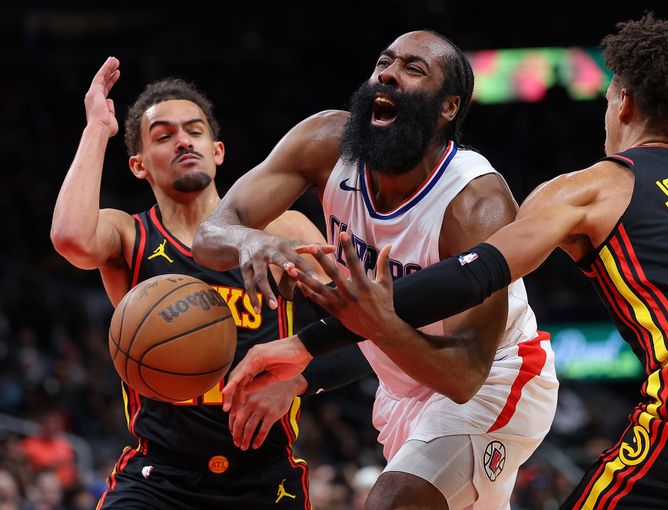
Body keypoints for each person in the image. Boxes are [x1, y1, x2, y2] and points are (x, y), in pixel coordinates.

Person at [234, 14, 668, 509]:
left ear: (622, 101)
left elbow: (476, 274)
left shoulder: (593, 187)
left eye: (607, 98)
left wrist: (314, 338)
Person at [193, 30, 559, 510]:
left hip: (496, 379)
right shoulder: (325, 142)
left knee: (391, 503)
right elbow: (210, 235)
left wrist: (367, 327)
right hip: (400, 386)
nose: (387, 73)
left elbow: (464, 374)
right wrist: (251, 239)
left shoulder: (475, 204)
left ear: (448, 107)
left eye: (413, 69)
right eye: (384, 62)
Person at [50, 57, 371, 509]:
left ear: (217, 151)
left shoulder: (284, 230)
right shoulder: (129, 235)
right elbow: (70, 237)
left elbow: (372, 332)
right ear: (139, 166)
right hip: (158, 477)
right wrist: (96, 131)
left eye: (194, 131)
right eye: (164, 136)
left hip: (264, 479)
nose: (183, 141)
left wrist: (299, 381)